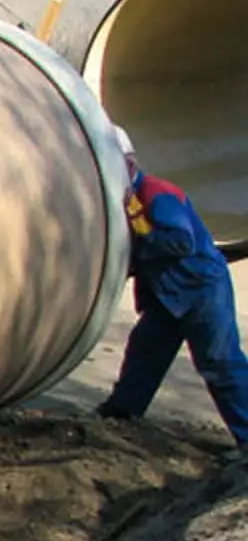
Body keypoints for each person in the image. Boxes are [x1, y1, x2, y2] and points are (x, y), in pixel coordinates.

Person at [96, 124, 248, 451]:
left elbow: (179, 241)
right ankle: (122, 412)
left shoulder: (155, 192)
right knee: (145, 352)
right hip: (167, 296)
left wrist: (142, 236)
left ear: (129, 163)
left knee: (220, 363)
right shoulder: (129, 201)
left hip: (200, 289)